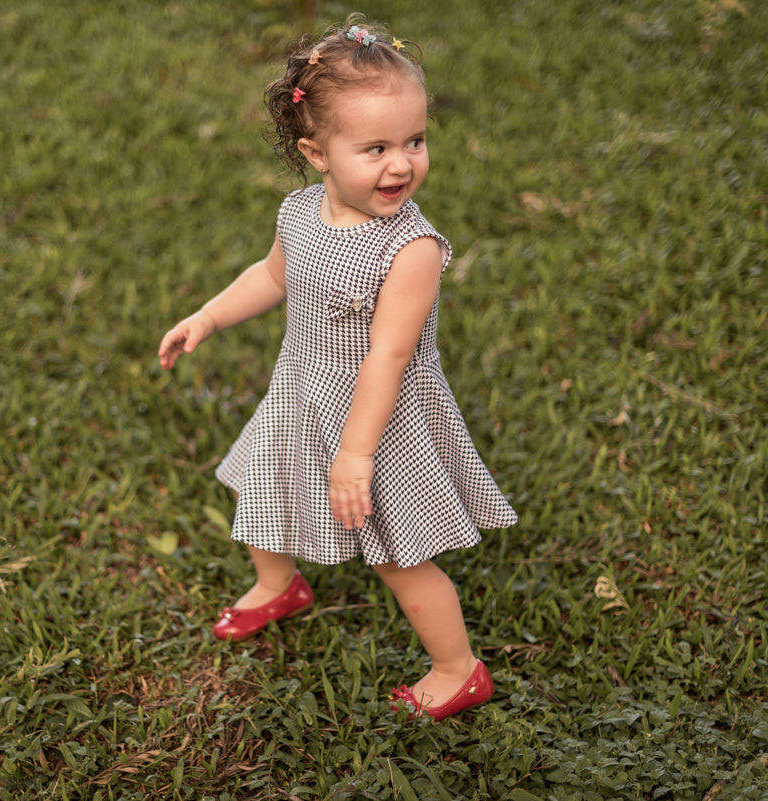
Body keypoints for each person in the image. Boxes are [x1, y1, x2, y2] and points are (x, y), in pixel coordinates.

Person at [157, 15, 517, 721]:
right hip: (305, 390)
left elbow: (389, 353)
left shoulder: (409, 250)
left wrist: (356, 454)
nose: (401, 164)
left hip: (381, 415)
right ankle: (278, 585)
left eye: (415, 141)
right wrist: (208, 315)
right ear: (317, 153)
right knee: (265, 484)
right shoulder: (299, 213)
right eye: (376, 147)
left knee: (397, 552)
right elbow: (272, 275)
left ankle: (458, 667)